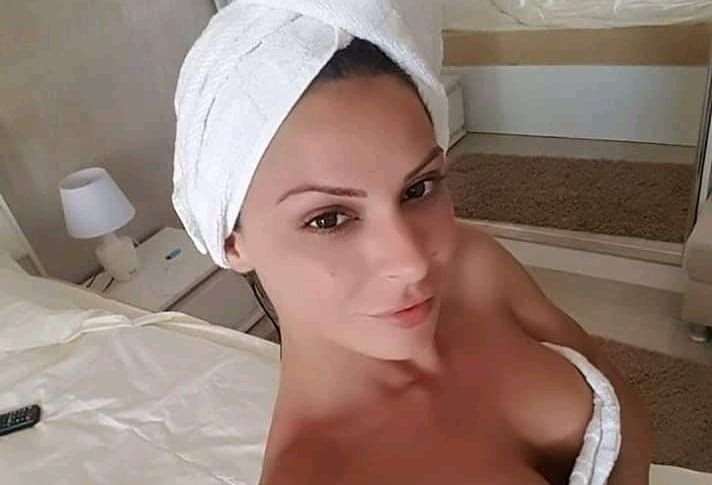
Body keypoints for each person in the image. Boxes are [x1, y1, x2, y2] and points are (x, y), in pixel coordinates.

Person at [172, 3, 653, 484]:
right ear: (232, 243)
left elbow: (608, 382)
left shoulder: (474, 264)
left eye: (418, 189)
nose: (413, 262)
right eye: (329, 219)